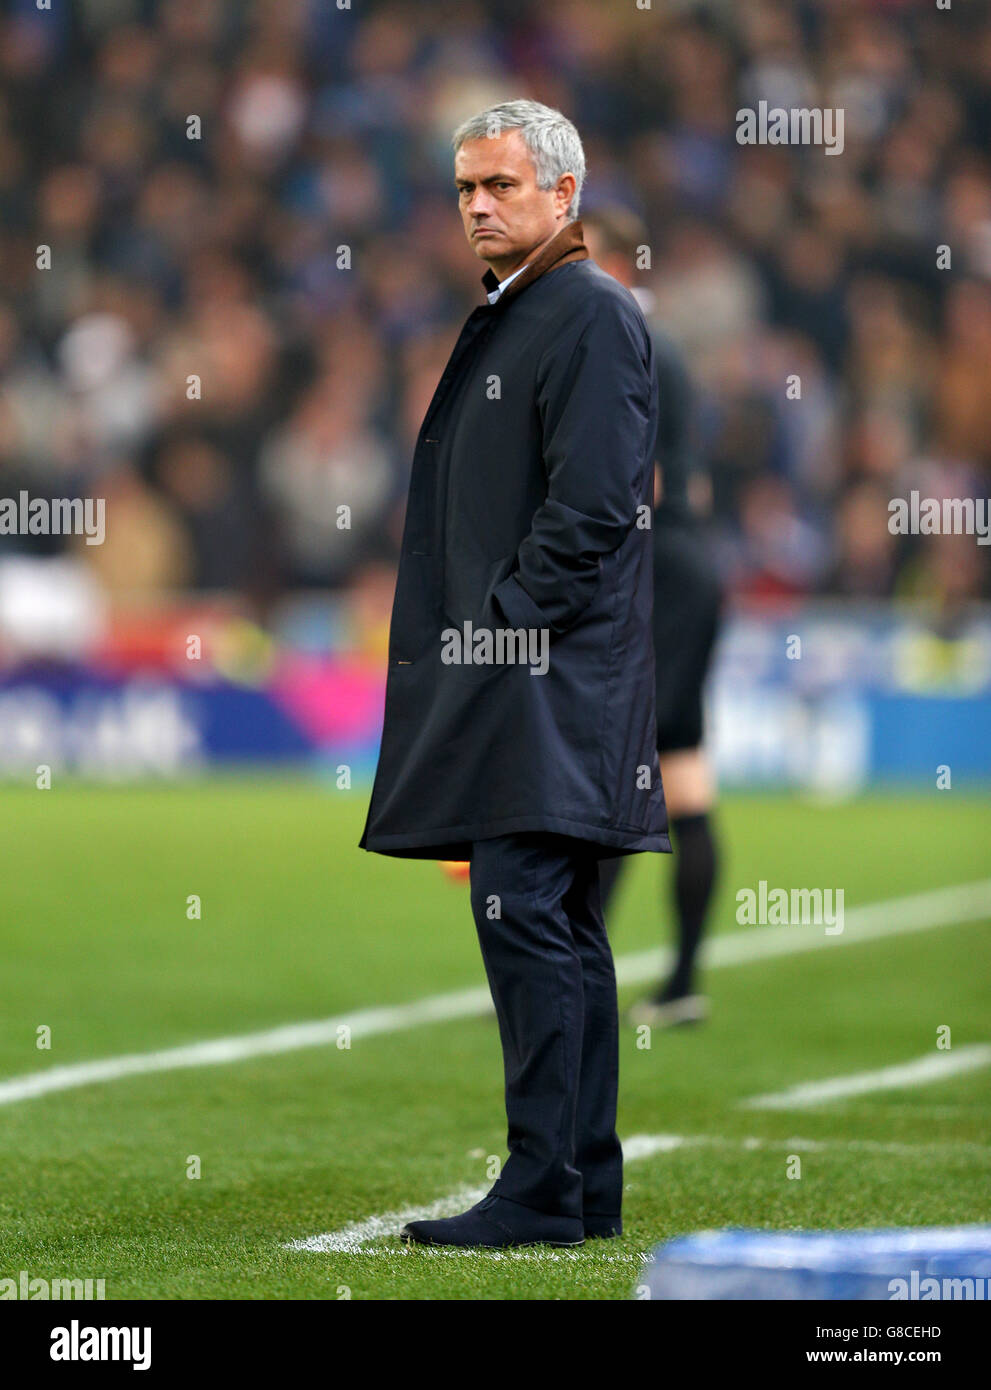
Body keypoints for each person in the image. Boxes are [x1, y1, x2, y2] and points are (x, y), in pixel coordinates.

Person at [358, 101, 670, 1248]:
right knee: (555, 920)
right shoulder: (533, 309)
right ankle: (578, 1182)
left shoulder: (582, 313)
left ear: (562, 194)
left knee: (527, 914)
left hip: (546, 675)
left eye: (500, 185)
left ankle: (547, 1182)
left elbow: (592, 508)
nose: (479, 206)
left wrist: (494, 633)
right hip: (543, 671)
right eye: (464, 189)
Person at [583, 206, 722, 1030]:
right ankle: (678, 982)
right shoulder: (657, 339)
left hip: (660, 574)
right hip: (688, 569)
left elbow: (646, 481)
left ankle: (571, 970)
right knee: (681, 775)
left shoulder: (624, 338)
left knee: (625, 769)